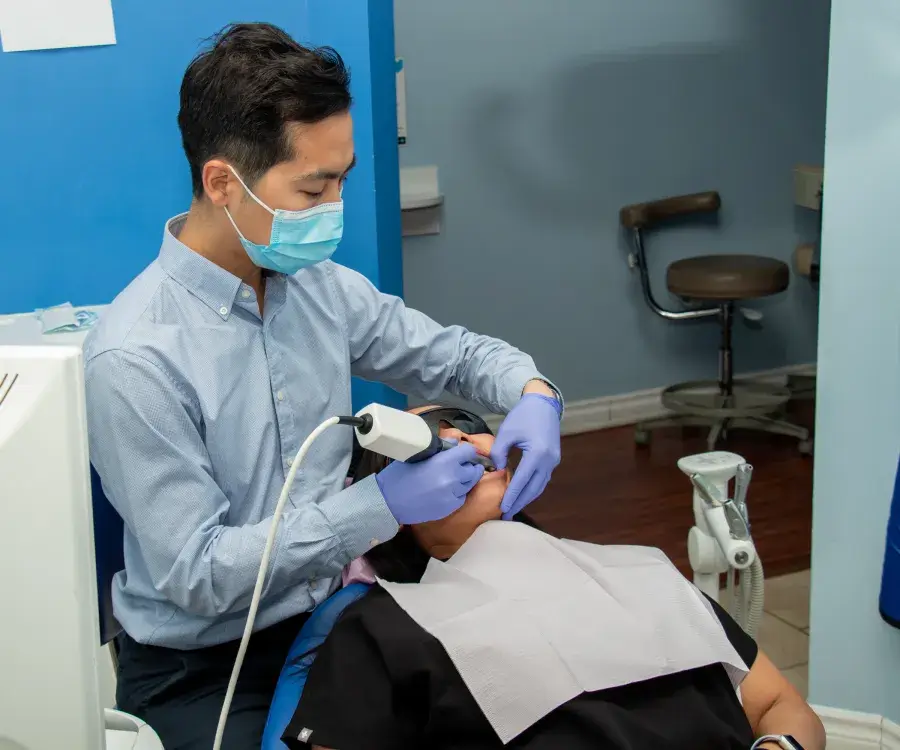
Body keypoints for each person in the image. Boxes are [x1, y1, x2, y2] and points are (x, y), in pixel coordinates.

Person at [83, 22, 562, 750]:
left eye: (343, 177)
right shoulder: (134, 357)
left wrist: (532, 392)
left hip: (335, 616)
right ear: (222, 182)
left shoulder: (318, 288)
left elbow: (450, 356)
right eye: (315, 186)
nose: (337, 204)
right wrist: (378, 505)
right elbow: (198, 574)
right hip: (204, 666)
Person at [282, 406, 826, 750]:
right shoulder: (382, 630)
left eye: (469, 426)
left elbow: (782, 707)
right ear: (388, 506)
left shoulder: (637, 571)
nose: (467, 443)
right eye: (428, 445)